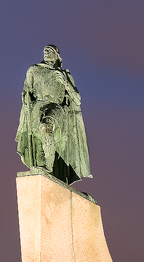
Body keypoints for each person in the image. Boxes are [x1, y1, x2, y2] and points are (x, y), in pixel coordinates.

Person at [15, 45, 92, 184]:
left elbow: (77, 99)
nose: (46, 51)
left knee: (46, 126)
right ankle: (42, 166)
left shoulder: (64, 74)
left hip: (56, 108)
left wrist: (65, 83)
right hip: (37, 107)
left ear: (57, 55)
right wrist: (25, 97)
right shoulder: (34, 70)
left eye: (50, 50)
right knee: (38, 141)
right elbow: (27, 92)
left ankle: (48, 167)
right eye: (45, 50)